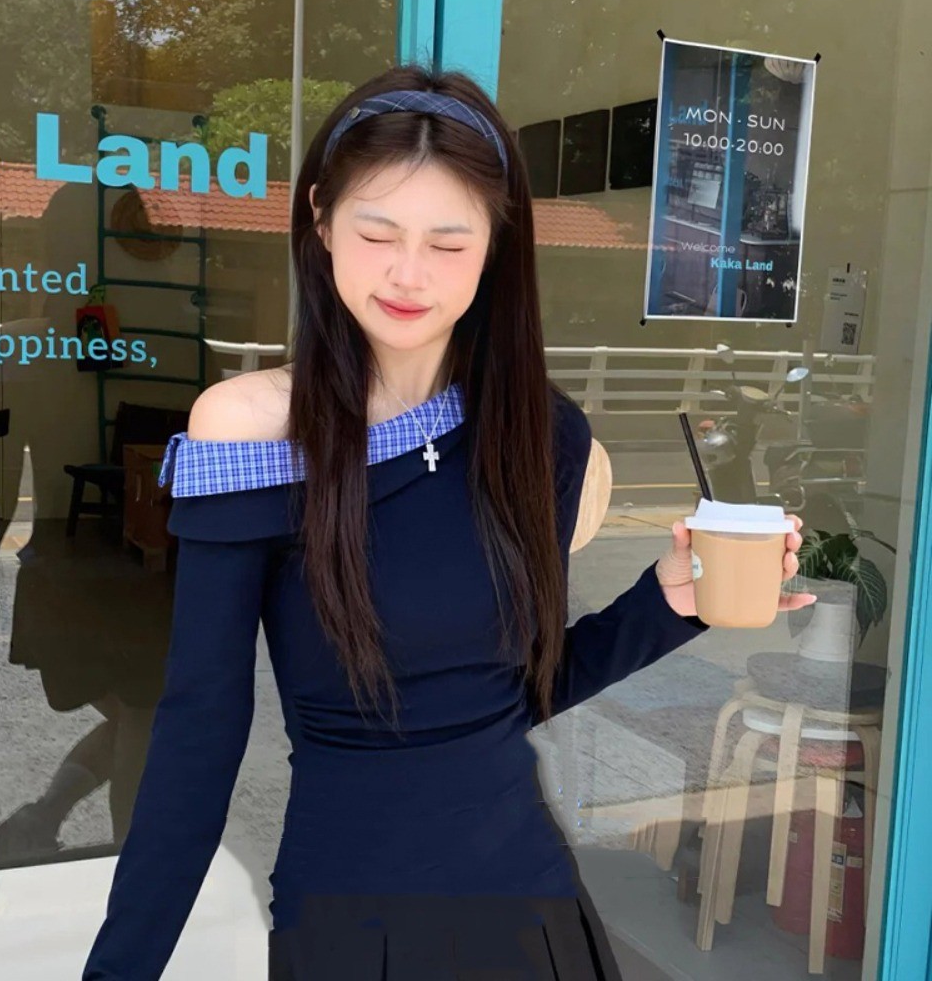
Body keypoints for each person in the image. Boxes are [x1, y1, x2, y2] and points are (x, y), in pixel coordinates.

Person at [81, 64, 814, 980]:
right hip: (349, 921)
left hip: (530, 909)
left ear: (496, 248)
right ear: (320, 219)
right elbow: (200, 731)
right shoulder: (251, 429)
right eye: (377, 232)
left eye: (448, 242)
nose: (408, 273)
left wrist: (668, 605)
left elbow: (517, 696)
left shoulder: (542, 435)